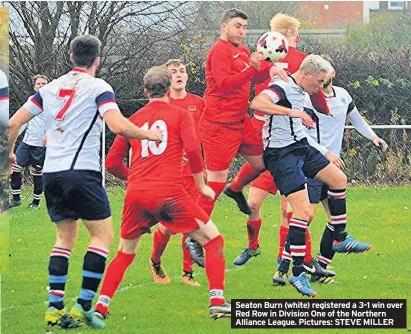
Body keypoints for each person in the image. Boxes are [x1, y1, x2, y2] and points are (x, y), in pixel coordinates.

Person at [8, 35, 162, 329]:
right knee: (101, 237)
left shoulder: (50, 88)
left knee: (64, 239)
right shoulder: (99, 87)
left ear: (70, 57)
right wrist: (148, 135)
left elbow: (14, 122)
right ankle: (83, 306)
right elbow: (116, 124)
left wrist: (10, 153)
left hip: (52, 173)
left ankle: (54, 308)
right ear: (97, 60)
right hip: (82, 171)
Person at [94, 67, 231, 327]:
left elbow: (111, 163)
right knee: (213, 240)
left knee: (124, 253)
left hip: (136, 194)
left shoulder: (133, 119)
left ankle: (101, 305)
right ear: (169, 90)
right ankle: (216, 301)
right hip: (170, 193)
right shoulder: (180, 114)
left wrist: (132, 179)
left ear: (145, 92)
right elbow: (192, 150)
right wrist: (201, 186)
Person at [250, 55, 372, 297]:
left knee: (339, 179)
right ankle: (297, 273)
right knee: (304, 212)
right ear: (305, 74)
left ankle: (340, 238)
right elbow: (257, 103)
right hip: (281, 155)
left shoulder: (303, 90)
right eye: (317, 82)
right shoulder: (281, 87)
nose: (319, 87)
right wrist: (294, 114)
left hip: (301, 148)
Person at [185, 8, 287, 263]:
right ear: (224, 27)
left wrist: (269, 70)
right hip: (218, 125)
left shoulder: (242, 51)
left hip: (240, 122)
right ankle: (193, 234)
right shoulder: (218, 51)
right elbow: (224, 83)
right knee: (216, 181)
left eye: (244, 26)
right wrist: (253, 69)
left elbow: (251, 78)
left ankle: (236, 188)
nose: (242, 31)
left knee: (262, 163)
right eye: (237, 26)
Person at [276, 57, 388, 285]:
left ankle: (322, 266)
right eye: (319, 73)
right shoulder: (306, 98)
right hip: (313, 162)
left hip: (331, 165)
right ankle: (283, 267)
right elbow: (302, 132)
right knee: (305, 216)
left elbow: (357, 121)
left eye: (326, 71)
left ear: (332, 73)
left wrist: (374, 137)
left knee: (334, 220)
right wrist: (325, 152)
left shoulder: (343, 95)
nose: (323, 76)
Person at [149, 59, 204, 287]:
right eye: (173, 72)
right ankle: (155, 261)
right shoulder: (162, 105)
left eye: (182, 71)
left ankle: (187, 273)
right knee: (170, 224)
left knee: (192, 222)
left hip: (194, 173)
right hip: (170, 173)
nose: (179, 75)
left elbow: (207, 137)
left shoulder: (199, 103)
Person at [10, 74, 49, 209]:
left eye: (44, 84)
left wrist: (48, 135)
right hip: (26, 143)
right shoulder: (31, 100)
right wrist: (15, 133)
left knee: (36, 173)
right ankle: (16, 198)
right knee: (14, 168)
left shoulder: (52, 102)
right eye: (39, 84)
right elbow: (23, 120)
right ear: (34, 87)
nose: (41, 86)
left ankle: (36, 203)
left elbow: (57, 122)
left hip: (40, 145)